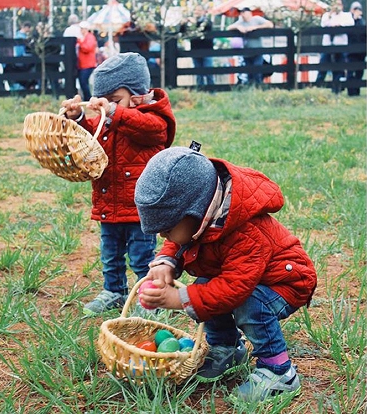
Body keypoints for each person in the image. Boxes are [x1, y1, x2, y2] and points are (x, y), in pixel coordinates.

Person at [134, 147, 317, 403]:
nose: (163, 237)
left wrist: (178, 299)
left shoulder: (247, 231)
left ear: (196, 213)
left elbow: (234, 289)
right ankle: (227, 348)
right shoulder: (203, 218)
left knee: (251, 305)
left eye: (166, 230)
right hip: (246, 278)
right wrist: (165, 262)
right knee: (206, 285)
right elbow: (179, 242)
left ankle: (279, 372)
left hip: (286, 281)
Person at [61, 52, 176, 316]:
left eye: (115, 100)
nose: (108, 108)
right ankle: (114, 290)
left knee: (141, 257)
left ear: (137, 95)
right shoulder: (113, 117)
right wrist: (78, 118)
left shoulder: (153, 118)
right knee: (110, 255)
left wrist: (114, 111)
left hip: (139, 208)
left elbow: (151, 129)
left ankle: (150, 299)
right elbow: (92, 136)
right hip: (109, 201)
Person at [315, 0, 354, 93]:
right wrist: (330, 14)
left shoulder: (346, 15)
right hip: (328, 45)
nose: (337, 6)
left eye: (339, 4)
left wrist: (339, 25)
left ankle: (336, 89)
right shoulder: (327, 15)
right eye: (335, 5)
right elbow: (323, 24)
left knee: (339, 67)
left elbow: (350, 24)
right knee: (323, 65)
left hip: (340, 45)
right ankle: (318, 87)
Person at [227, 7, 273, 85]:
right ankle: (250, 88)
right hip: (246, 52)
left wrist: (256, 28)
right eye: (241, 13)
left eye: (244, 13)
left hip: (258, 51)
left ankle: (259, 87)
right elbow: (228, 28)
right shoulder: (240, 22)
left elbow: (270, 24)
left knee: (257, 69)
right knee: (249, 72)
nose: (243, 15)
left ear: (249, 13)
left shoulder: (257, 19)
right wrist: (238, 27)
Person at [181, 4, 215, 89]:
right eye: (195, 10)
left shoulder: (207, 21)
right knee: (198, 73)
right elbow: (182, 32)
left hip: (207, 50)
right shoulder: (190, 23)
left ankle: (212, 91)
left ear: (203, 12)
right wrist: (182, 24)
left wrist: (195, 23)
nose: (197, 12)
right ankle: (200, 91)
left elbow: (206, 28)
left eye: (199, 10)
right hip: (195, 50)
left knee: (208, 72)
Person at [346, 2, 366, 96]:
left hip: (361, 52)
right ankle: (351, 91)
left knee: (359, 72)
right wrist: (353, 19)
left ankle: (357, 91)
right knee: (350, 71)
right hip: (350, 51)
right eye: (355, 9)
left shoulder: (362, 21)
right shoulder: (348, 20)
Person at [76, 21, 98, 101]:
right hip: (83, 64)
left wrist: (80, 43)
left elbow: (87, 48)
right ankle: (86, 98)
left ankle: (88, 98)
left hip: (88, 64)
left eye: (82, 29)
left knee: (83, 82)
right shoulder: (85, 37)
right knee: (83, 82)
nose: (81, 30)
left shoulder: (90, 37)